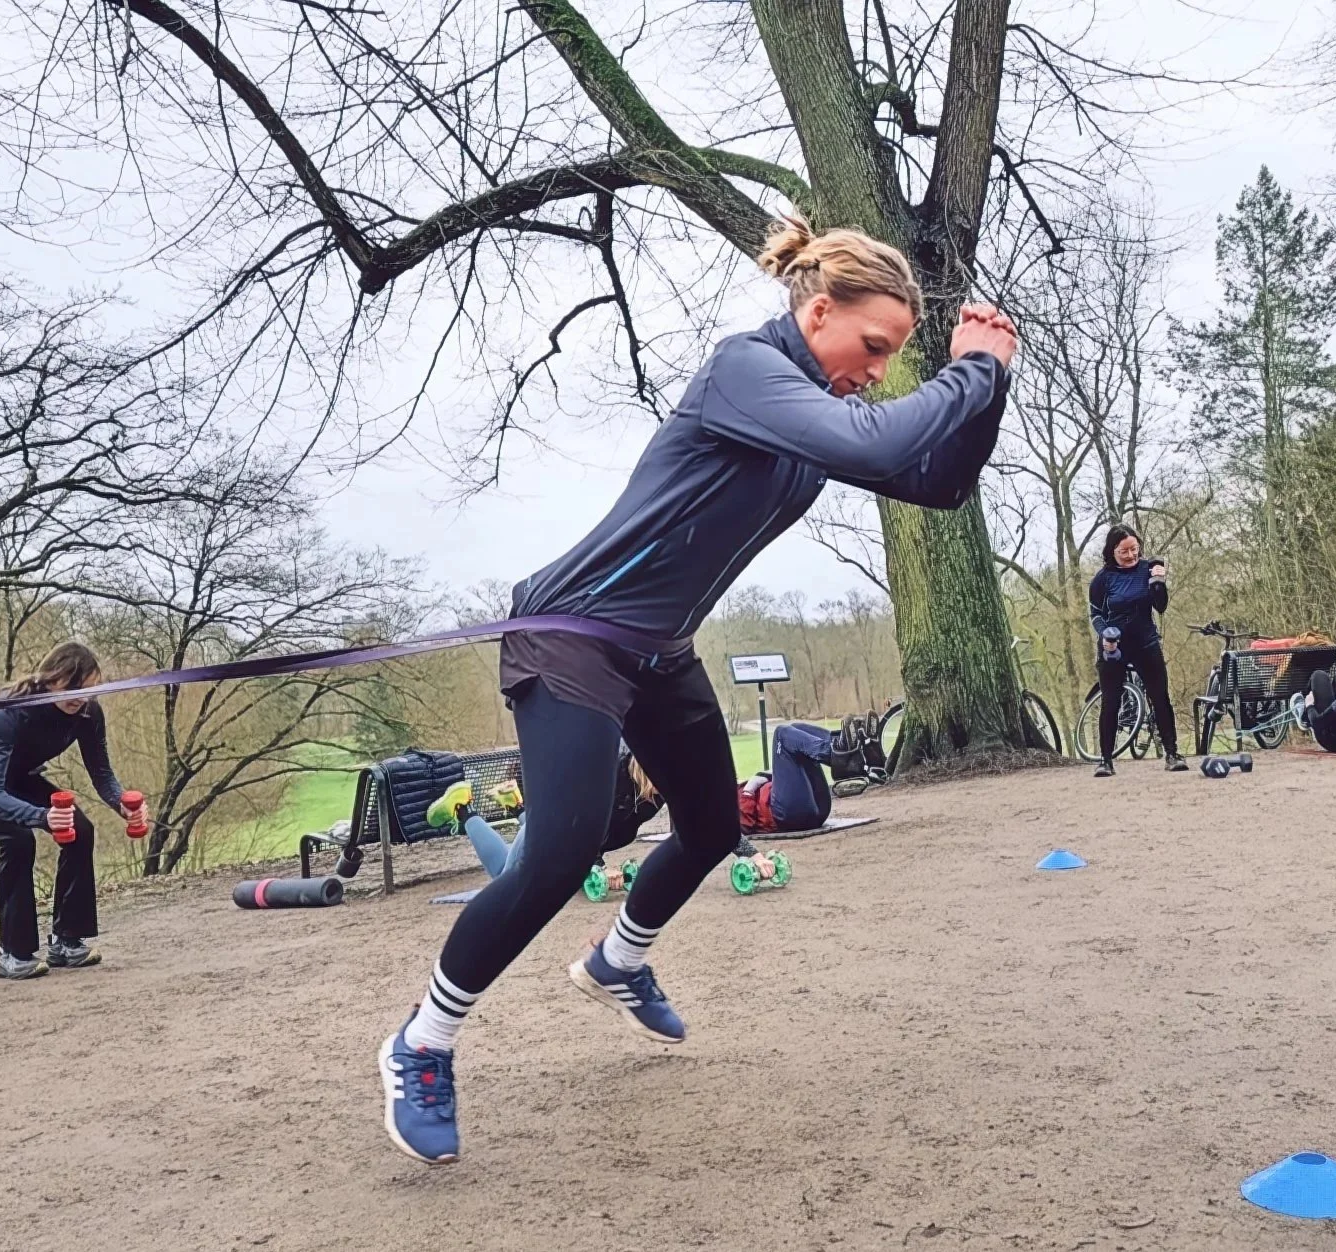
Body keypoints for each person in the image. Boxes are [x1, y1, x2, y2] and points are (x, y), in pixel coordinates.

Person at [378, 214, 1016, 1164]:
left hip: (658, 652)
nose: (880, 371)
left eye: (892, 356)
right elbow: (884, 446)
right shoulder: (745, 371)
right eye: (874, 346)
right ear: (818, 310)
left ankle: (617, 962)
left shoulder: (811, 418)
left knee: (715, 827)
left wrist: (992, 383)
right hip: (572, 635)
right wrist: (968, 370)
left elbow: (940, 483)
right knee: (559, 854)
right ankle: (422, 1042)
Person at [0, 642, 140, 981]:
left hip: (15, 774)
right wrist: (42, 817)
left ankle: (67, 941)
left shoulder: (88, 713)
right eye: (72, 687)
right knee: (16, 838)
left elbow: (102, 773)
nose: (79, 697)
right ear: (50, 679)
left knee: (79, 829)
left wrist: (121, 803)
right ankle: (13, 953)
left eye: (88, 689)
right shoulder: (12, 709)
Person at [430, 750, 665, 880]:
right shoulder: (612, 778)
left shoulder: (658, 792)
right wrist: (598, 868)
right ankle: (463, 808)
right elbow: (582, 827)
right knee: (505, 877)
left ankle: (515, 804)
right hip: (554, 823)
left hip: (565, 839)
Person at [1087, 525, 1187, 777]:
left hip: (1145, 643)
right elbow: (1096, 614)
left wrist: (1159, 583)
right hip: (1114, 647)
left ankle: (1172, 754)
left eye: (1134, 549)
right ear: (1112, 551)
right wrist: (1105, 635)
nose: (1131, 555)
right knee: (1111, 700)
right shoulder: (1102, 579)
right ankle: (1105, 761)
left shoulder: (1148, 569)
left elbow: (1160, 606)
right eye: (1124, 551)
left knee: (1160, 697)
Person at [737, 722, 835, 835]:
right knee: (781, 735)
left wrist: (769, 775)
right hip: (787, 814)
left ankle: (844, 747)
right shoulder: (721, 806)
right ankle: (835, 754)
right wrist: (748, 791)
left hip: (817, 807)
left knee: (796, 729)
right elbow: (743, 827)